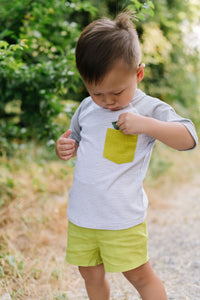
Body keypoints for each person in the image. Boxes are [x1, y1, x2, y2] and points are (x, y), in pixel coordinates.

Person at [55, 11, 198, 300]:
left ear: (139, 73)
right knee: (89, 273)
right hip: (83, 216)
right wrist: (66, 147)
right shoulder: (86, 107)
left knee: (139, 276)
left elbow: (189, 138)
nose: (107, 101)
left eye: (117, 92)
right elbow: (77, 139)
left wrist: (146, 125)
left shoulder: (148, 109)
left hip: (122, 219)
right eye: (97, 92)